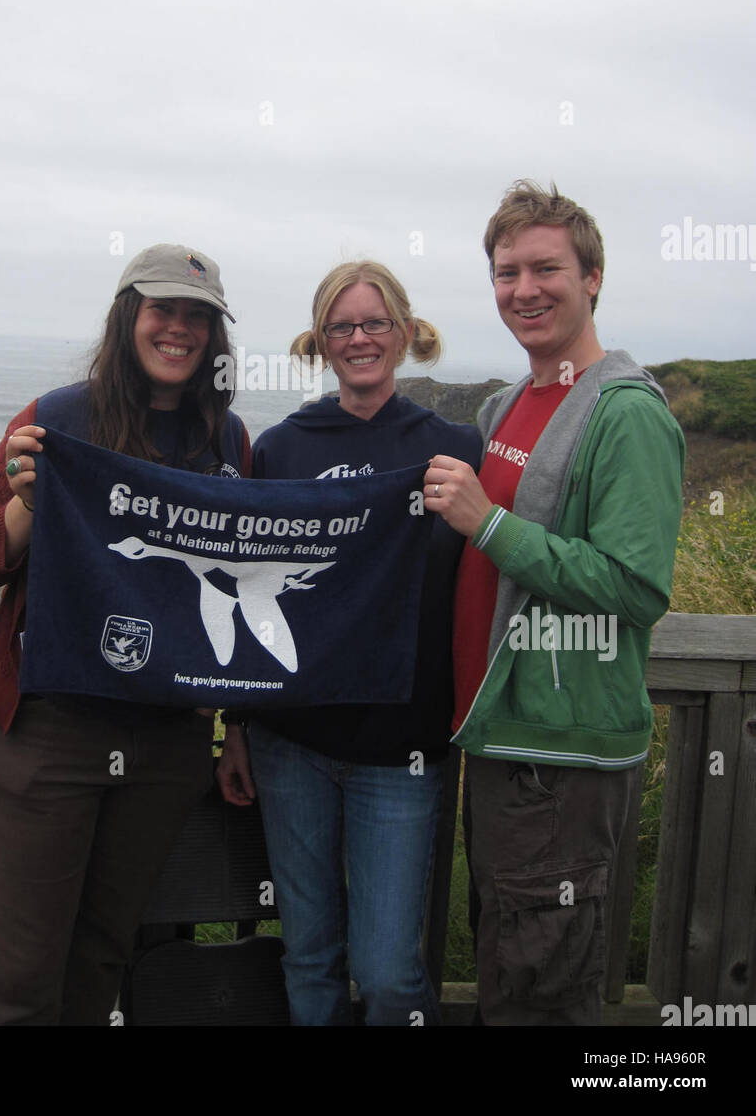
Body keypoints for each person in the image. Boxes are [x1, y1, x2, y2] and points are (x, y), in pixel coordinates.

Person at [0, 244, 251, 1025]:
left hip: (163, 743)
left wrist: (238, 725)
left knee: (100, 958)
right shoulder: (53, 420)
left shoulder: (230, 443)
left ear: (214, 336)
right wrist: (27, 503)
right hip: (46, 733)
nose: (178, 329)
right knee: (15, 972)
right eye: (162, 310)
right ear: (128, 319)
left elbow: (244, 586)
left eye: (197, 317)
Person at [423, 181, 684, 1026]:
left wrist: (487, 522)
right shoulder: (506, 403)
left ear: (593, 277)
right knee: (508, 956)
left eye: (546, 269)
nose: (523, 290)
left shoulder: (625, 413)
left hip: (560, 755)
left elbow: (633, 589)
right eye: (505, 273)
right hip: (500, 735)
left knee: (539, 983)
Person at [216, 261, 479, 1026]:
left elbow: (485, 582)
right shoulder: (280, 449)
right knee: (309, 959)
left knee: (390, 974)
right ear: (320, 341)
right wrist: (236, 726)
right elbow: (245, 586)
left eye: (373, 323)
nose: (358, 338)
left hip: (403, 749)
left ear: (402, 332)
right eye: (341, 326)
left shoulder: (454, 445)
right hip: (290, 742)